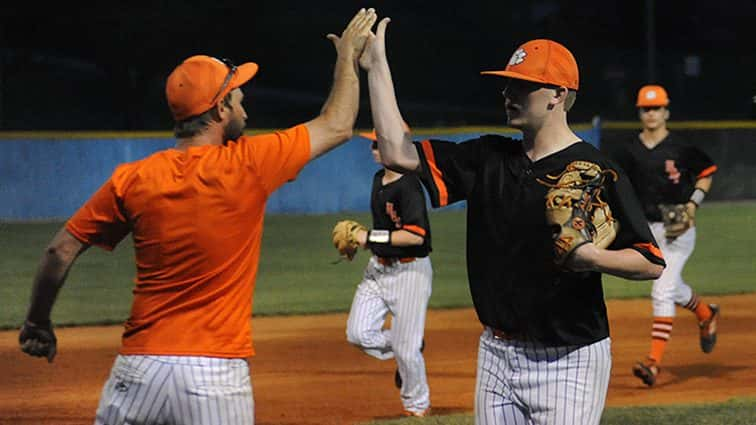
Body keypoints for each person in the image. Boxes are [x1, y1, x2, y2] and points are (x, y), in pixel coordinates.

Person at [18, 8, 378, 425]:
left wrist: (37, 321)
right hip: (214, 373)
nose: (245, 103)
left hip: (140, 369)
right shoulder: (249, 163)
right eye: (238, 95)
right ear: (220, 108)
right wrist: (347, 60)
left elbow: (59, 250)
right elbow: (336, 125)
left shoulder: (133, 178)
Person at [359, 20, 666, 424]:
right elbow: (397, 154)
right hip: (496, 354)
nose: (508, 94)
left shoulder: (596, 170)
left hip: (569, 359)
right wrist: (377, 66)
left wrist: (591, 258)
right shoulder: (488, 158)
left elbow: (650, 261)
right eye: (507, 85)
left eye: (522, 86)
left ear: (558, 94)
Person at [612, 84, 719, 387]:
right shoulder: (629, 150)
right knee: (670, 286)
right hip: (647, 228)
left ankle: (653, 363)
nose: (651, 113)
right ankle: (704, 312)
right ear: (640, 112)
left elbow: (707, 172)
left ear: (666, 111)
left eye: (656, 108)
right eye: (646, 108)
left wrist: (693, 202)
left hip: (677, 225)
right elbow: (618, 183)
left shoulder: (681, 147)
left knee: (661, 291)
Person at [343, 123, 433, 417]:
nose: (372, 149)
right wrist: (366, 246)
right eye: (372, 143)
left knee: (407, 353)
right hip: (378, 271)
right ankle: (408, 342)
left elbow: (416, 235)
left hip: (409, 274)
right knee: (358, 333)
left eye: (377, 143)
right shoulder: (378, 179)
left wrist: (370, 237)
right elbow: (385, 232)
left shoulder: (409, 186)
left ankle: (416, 409)